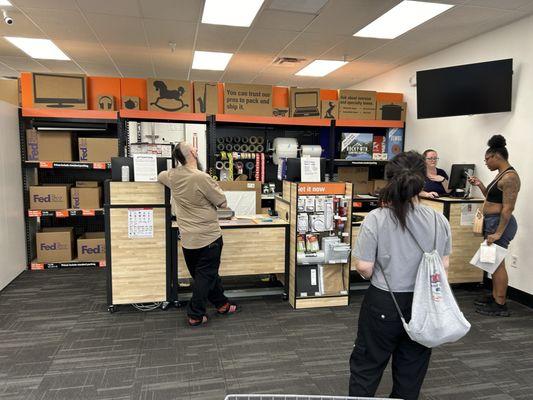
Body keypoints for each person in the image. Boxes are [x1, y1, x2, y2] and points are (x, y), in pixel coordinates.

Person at [349, 151, 452, 400]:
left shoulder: (376, 218)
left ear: (390, 179)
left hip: (384, 301)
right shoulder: (439, 220)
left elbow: (364, 267)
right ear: (421, 180)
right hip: (423, 304)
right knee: (411, 370)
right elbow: (443, 267)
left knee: (367, 367)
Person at [158, 142, 238, 327]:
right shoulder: (202, 178)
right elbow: (222, 203)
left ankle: (222, 304)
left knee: (207, 275)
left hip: (188, 240)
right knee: (205, 277)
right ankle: (195, 314)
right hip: (209, 237)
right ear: (193, 153)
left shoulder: (173, 175)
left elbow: (160, 175)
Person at [468, 135, 520, 317]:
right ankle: (496, 296)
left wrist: (498, 233)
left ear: (496, 156)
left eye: (487, 159)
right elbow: (491, 198)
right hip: (492, 222)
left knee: (497, 264)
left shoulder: (510, 177)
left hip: (500, 224)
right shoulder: (501, 175)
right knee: (492, 262)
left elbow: (508, 209)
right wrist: (480, 185)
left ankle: (500, 304)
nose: (486, 163)